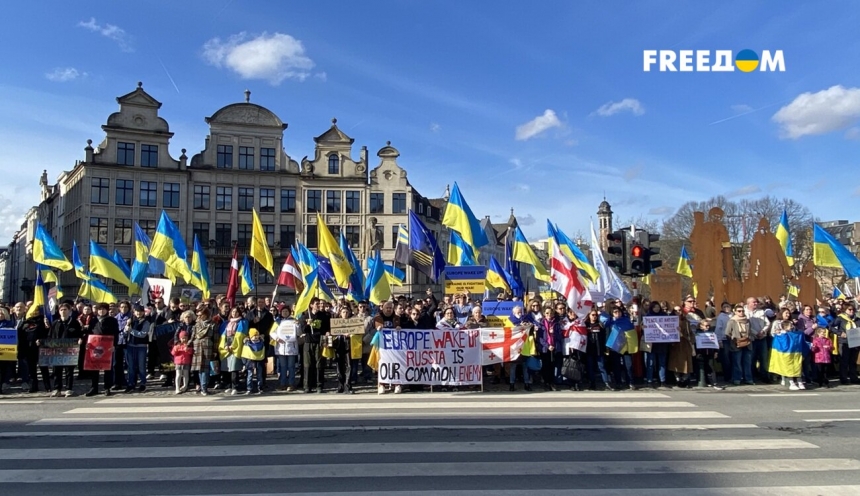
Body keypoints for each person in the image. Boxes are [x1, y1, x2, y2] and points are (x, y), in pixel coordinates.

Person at [44, 303, 82, 397]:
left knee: (69, 371)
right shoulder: (56, 323)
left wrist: (80, 339)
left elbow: (79, 335)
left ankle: (69, 389)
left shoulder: (74, 323)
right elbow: (50, 336)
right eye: (61, 310)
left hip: (70, 350)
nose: (63, 311)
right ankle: (57, 389)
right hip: (57, 350)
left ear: (69, 311)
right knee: (57, 371)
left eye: (65, 310)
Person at [85, 303, 119, 397]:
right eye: (100, 309)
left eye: (104, 309)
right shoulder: (93, 320)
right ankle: (94, 387)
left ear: (107, 310)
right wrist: (87, 343)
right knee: (94, 368)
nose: (101, 311)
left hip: (107, 346)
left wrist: (114, 345)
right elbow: (89, 333)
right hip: (95, 347)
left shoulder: (112, 320)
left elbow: (116, 333)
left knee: (107, 368)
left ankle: (107, 387)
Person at [302, 298, 330, 393]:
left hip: (320, 342)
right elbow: (303, 330)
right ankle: (307, 386)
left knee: (319, 365)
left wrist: (327, 333)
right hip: (308, 342)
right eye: (317, 304)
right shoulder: (306, 316)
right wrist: (307, 324)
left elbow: (327, 328)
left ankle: (319, 386)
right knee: (308, 365)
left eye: (320, 303)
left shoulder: (324, 316)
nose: (319, 305)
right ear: (311, 305)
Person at [374, 301, 401, 394]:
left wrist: (398, 327)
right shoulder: (378, 317)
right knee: (383, 365)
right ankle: (382, 384)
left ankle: (396, 384)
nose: (389, 309)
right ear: (383, 308)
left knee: (395, 364)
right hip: (382, 346)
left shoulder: (397, 317)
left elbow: (398, 325)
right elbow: (376, 326)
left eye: (390, 308)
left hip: (394, 346)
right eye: (387, 308)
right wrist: (378, 328)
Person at [219, 306, 247, 395]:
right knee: (226, 367)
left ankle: (235, 386)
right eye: (233, 312)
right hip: (227, 345)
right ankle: (229, 385)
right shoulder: (227, 323)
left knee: (234, 367)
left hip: (236, 346)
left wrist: (233, 345)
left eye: (236, 312)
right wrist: (225, 345)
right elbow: (223, 335)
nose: (234, 313)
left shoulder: (242, 322)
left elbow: (240, 335)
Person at [830, 303, 860, 385]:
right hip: (844, 342)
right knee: (844, 361)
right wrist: (839, 333)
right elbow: (830, 326)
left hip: (855, 342)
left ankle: (853, 377)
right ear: (845, 310)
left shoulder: (857, 319)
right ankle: (844, 378)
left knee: (853, 361)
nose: (851, 311)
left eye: (853, 309)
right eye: (849, 309)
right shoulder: (840, 318)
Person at [189, 308, 216, 396]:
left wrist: (215, 350)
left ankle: (204, 388)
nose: (199, 316)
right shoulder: (197, 324)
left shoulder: (212, 324)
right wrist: (187, 344)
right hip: (197, 347)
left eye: (201, 315)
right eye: (198, 315)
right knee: (199, 369)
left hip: (207, 347)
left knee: (205, 369)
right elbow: (193, 336)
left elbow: (216, 338)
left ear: (206, 314)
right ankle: (202, 387)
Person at [124, 304, 151, 393]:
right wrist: (126, 327)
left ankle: (143, 383)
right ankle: (131, 383)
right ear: (134, 312)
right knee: (131, 366)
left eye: (140, 311)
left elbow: (143, 334)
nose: (138, 313)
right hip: (130, 346)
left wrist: (131, 330)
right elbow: (125, 333)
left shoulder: (146, 322)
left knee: (141, 366)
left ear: (143, 312)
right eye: (137, 311)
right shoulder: (130, 321)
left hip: (141, 346)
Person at [726, 304, 754, 385]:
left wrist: (749, 337)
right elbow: (727, 333)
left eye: (742, 311)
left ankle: (748, 379)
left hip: (747, 343)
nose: (741, 312)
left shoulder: (747, 320)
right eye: (739, 311)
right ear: (735, 312)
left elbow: (750, 331)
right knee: (737, 362)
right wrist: (733, 341)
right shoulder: (732, 321)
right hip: (736, 344)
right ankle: (737, 379)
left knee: (747, 362)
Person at [271, 306, 298, 392]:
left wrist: (297, 325)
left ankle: (291, 383)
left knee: (291, 367)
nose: (285, 313)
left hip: (291, 347)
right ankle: (282, 383)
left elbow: (299, 332)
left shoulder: (293, 321)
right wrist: (276, 338)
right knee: (283, 367)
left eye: (286, 311)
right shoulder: (277, 321)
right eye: (283, 311)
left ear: (289, 312)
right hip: (281, 347)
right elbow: (271, 332)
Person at [242, 329, 266, 395]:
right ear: (250, 336)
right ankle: (249, 389)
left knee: (259, 375)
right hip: (250, 362)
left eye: (256, 335)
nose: (255, 337)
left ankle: (260, 388)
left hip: (259, 362)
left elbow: (264, 352)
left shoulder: (261, 343)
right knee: (250, 375)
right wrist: (244, 363)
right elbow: (244, 354)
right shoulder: (247, 344)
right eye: (253, 335)